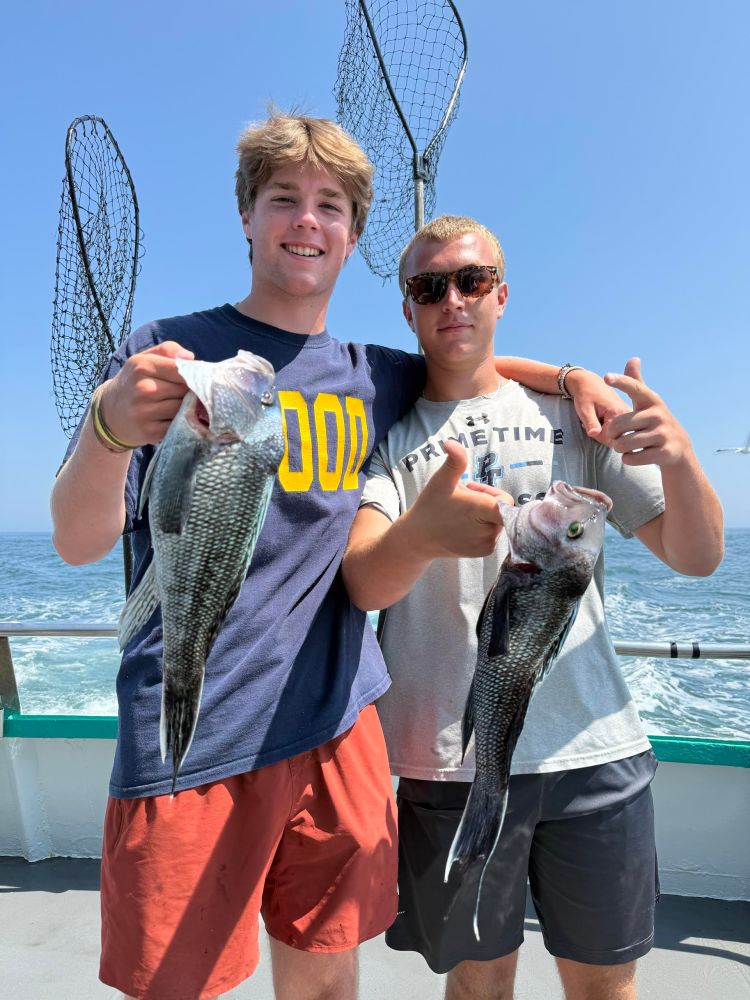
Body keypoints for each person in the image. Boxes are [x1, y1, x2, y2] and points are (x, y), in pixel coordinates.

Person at [52, 116, 625, 1000]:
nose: (306, 221)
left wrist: (571, 375)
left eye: (330, 205)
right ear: (246, 215)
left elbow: (464, 358)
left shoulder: (371, 372)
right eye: (284, 198)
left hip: (335, 723)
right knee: (175, 985)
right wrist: (106, 427)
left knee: (326, 979)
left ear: (353, 236)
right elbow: (76, 539)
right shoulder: (166, 351)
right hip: (191, 724)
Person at [342, 215, 723, 1000]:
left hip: (594, 747)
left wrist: (680, 458)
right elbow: (364, 584)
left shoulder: (578, 422)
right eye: (429, 286)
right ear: (408, 309)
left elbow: (698, 555)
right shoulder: (388, 433)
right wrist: (420, 537)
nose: (454, 299)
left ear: (502, 295)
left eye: (472, 281)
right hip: (447, 759)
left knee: (607, 984)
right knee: (479, 986)